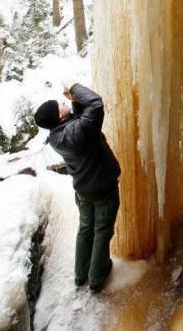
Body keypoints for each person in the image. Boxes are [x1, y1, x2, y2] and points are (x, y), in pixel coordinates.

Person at [34, 82, 120, 293]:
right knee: (101, 231)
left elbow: (79, 119)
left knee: (85, 229)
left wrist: (73, 101)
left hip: (83, 190)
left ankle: (80, 274)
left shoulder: (57, 135)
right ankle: (97, 277)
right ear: (58, 116)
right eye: (59, 104)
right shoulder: (78, 132)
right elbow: (96, 104)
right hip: (102, 188)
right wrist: (73, 88)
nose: (62, 102)